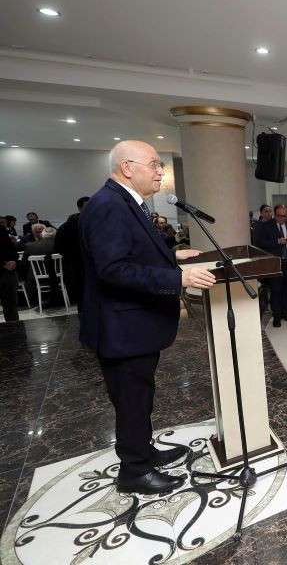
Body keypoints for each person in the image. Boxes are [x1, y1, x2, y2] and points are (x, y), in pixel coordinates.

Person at [80, 140, 217, 495]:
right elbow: (114, 269)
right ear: (127, 168)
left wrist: (171, 255)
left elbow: (133, 252)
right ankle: (134, 471)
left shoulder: (126, 202)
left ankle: (144, 451)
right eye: (154, 164)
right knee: (131, 400)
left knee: (140, 395)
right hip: (122, 327)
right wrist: (178, 278)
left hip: (133, 325)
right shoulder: (109, 205)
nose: (160, 172)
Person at [256, 205, 287, 327]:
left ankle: (285, 312)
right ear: (275, 214)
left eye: (284, 216)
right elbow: (260, 243)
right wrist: (276, 242)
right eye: (279, 216)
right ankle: (277, 316)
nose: (282, 218)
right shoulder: (267, 226)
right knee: (276, 290)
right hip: (275, 263)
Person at [53, 196, 90, 309]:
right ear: (80, 208)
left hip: (73, 265)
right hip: (87, 264)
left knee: (81, 296)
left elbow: (58, 248)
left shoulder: (65, 226)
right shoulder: (94, 223)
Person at [0, 231, 18, 321]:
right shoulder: (3, 232)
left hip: (6, 270)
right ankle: (14, 326)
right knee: (10, 305)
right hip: (7, 272)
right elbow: (13, 251)